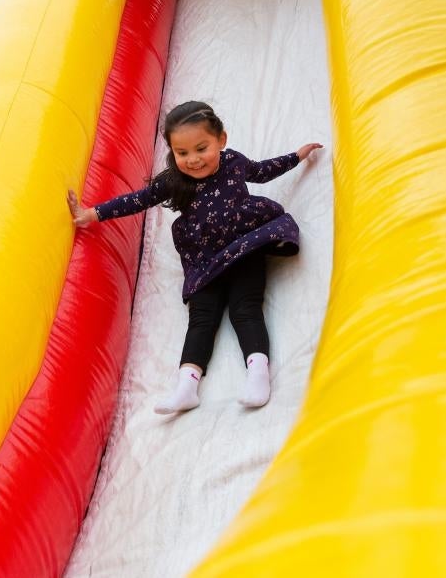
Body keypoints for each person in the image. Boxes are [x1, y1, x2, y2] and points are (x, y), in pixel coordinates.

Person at [67, 100, 321, 414]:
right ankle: (187, 386)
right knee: (202, 318)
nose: (193, 160)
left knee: (246, 308)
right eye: (182, 153)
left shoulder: (233, 162)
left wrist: (297, 156)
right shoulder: (174, 181)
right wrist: (92, 214)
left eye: (202, 148)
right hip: (205, 256)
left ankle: (257, 374)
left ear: (221, 140)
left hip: (245, 245)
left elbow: (263, 171)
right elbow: (137, 200)